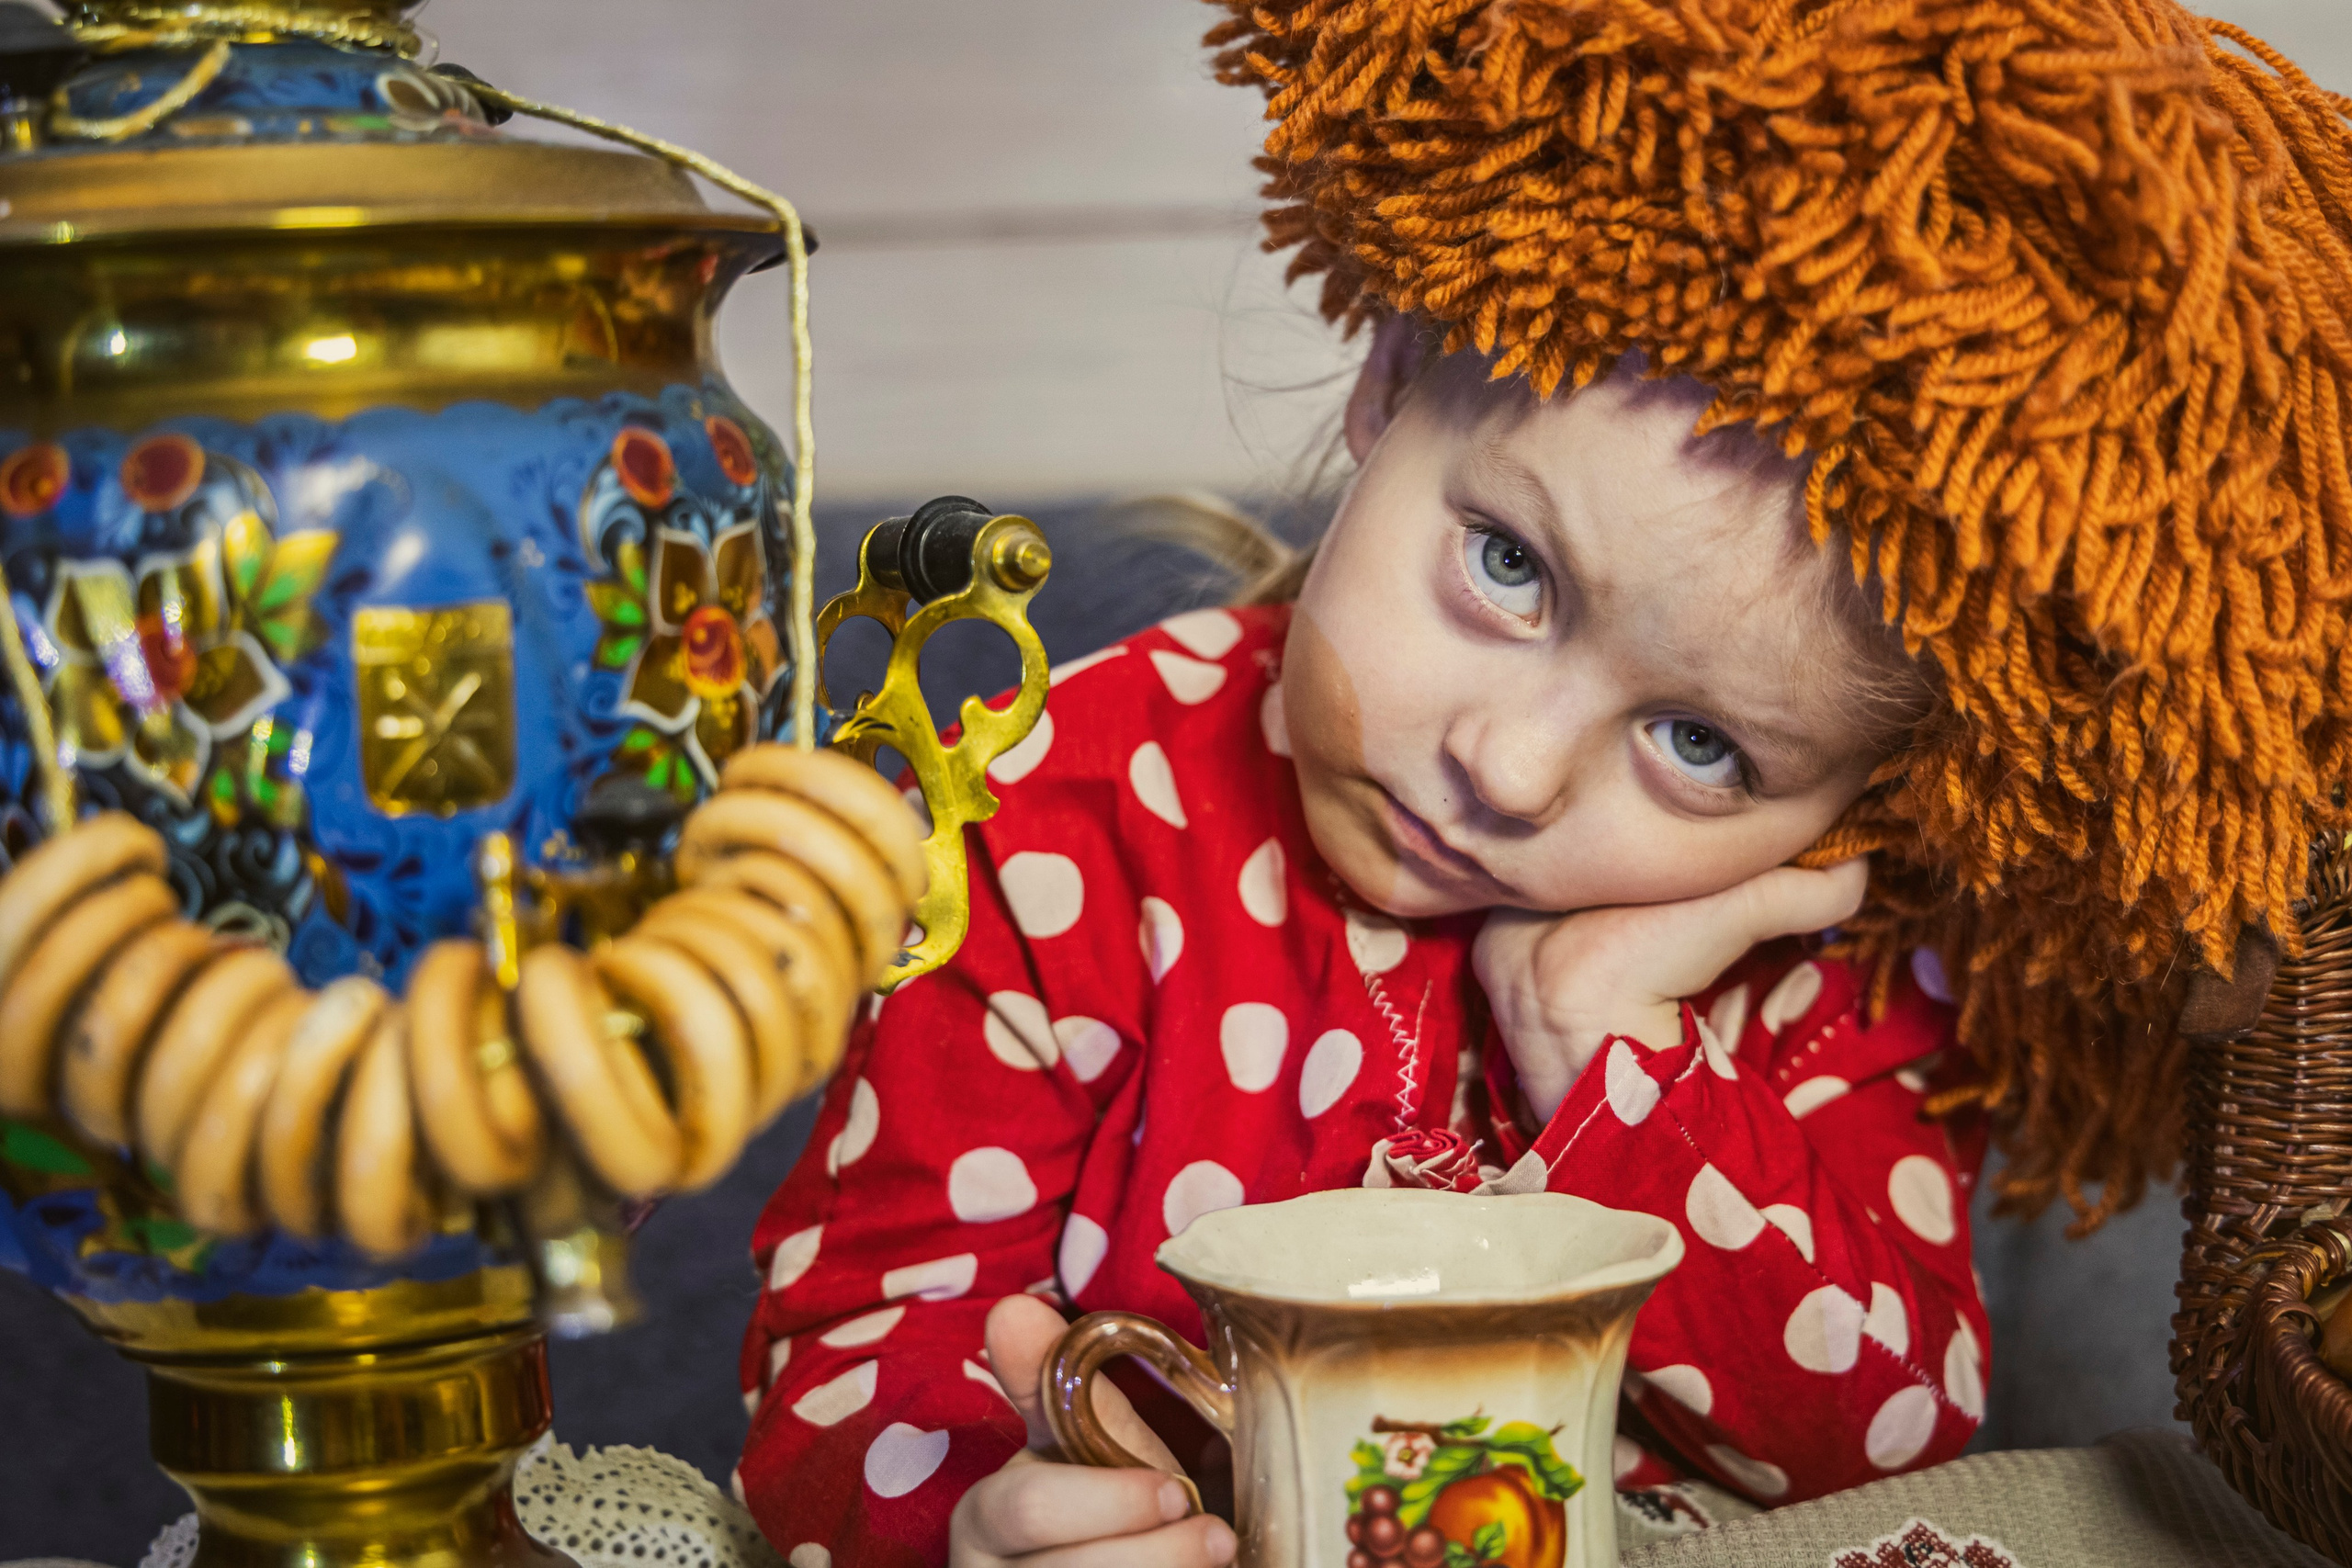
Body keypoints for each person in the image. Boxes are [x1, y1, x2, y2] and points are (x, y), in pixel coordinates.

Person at [737, 1, 2352, 1563]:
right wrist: (973, 1524)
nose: (1508, 771)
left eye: (1703, 748)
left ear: (1867, 796)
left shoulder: (1828, 957)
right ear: (1391, 378)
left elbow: (1887, 1439)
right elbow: (855, 1344)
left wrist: (1610, 1047)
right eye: (1509, 565)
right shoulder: (1064, 803)